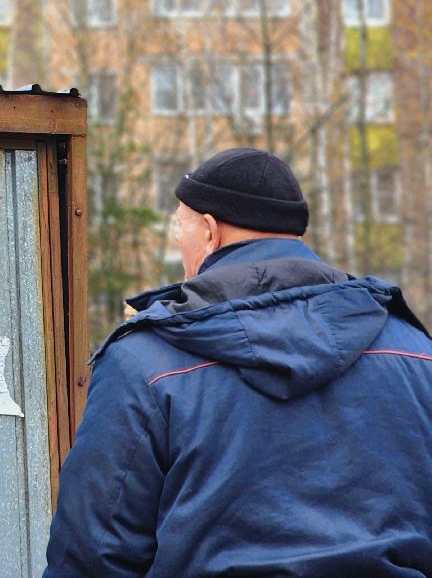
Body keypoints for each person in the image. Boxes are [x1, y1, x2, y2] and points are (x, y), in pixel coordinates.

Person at [44, 147, 432, 577]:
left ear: (210, 232)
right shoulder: (415, 352)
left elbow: (93, 555)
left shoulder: (145, 363)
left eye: (179, 228)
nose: (179, 245)